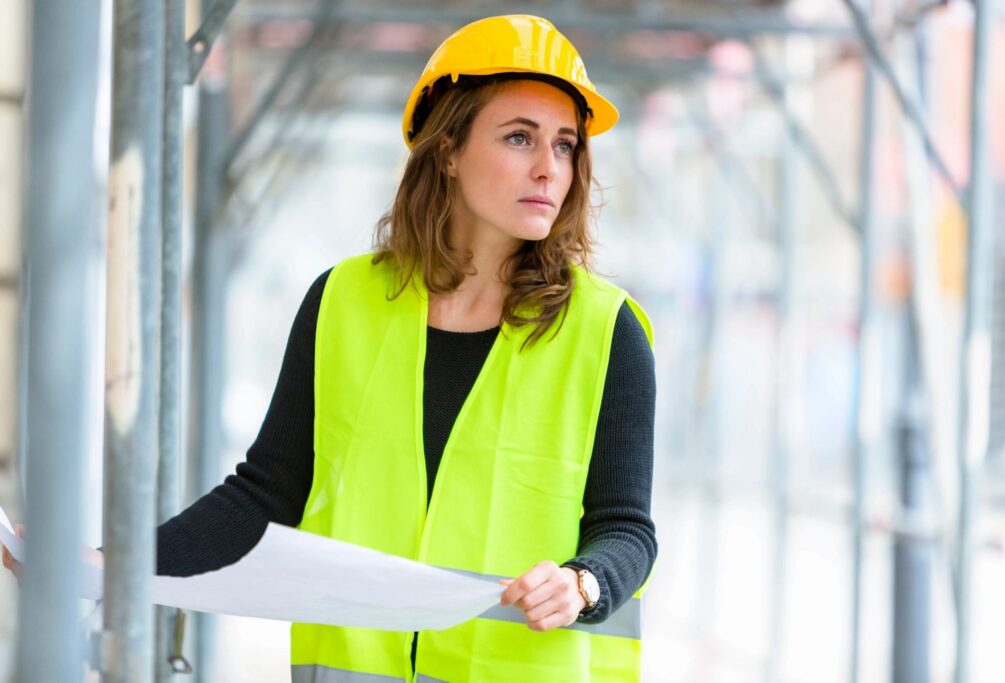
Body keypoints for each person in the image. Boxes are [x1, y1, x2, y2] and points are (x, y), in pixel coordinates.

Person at [5, 13, 656, 682]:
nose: (550, 169)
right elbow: (261, 498)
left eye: (567, 145)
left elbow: (627, 528)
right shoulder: (342, 303)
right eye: (520, 137)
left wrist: (584, 582)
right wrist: (106, 562)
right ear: (449, 149)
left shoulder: (607, 332)